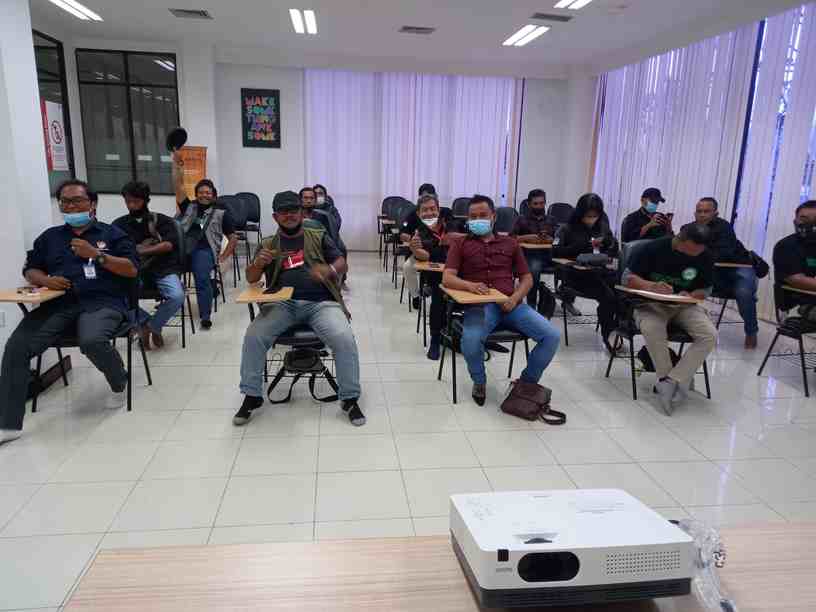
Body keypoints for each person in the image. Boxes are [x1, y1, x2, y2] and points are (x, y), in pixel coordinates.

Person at [0, 180, 139, 445]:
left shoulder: (113, 234)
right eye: (65, 202)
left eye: (77, 200)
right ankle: (8, 424)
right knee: (17, 347)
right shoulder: (50, 237)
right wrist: (45, 280)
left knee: (92, 340)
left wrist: (96, 255)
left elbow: (131, 269)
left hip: (103, 301)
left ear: (92, 203)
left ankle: (119, 381)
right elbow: (30, 269)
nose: (71, 206)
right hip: (59, 303)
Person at [233, 191, 364, 427]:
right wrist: (258, 264)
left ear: (302, 213)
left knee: (344, 338)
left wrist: (330, 270)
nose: (289, 215)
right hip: (281, 304)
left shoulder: (318, 235)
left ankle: (350, 398)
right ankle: (252, 395)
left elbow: (341, 262)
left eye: (294, 210)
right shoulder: (268, 244)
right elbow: (251, 278)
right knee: (254, 336)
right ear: (275, 217)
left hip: (321, 303)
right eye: (283, 212)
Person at [443, 195, 561, 406]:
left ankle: (525, 384)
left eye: (483, 215)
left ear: (494, 217)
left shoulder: (511, 243)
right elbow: (447, 278)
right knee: (470, 341)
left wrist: (515, 298)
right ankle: (479, 381)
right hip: (480, 307)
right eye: (473, 217)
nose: (477, 220)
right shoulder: (460, 244)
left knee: (551, 336)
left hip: (511, 305)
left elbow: (527, 278)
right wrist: (470, 286)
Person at [623, 223, 717, 415]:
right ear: (680, 240)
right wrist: (651, 286)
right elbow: (627, 278)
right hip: (650, 304)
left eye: (698, 252)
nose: (694, 255)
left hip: (684, 305)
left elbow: (706, 289)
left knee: (709, 334)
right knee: (652, 327)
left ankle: (673, 380)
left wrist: (691, 294)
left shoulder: (705, 255)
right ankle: (664, 379)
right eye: (691, 251)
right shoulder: (653, 248)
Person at [114, 181, 183, 349]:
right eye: (128, 201)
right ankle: (143, 322)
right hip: (133, 271)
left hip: (162, 268)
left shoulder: (162, 221)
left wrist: (141, 251)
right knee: (117, 296)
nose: (131, 205)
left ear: (145, 200)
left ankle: (154, 326)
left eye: (136, 201)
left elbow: (168, 245)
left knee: (177, 296)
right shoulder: (118, 224)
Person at [172, 151, 237, 330]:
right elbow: (178, 187)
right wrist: (177, 166)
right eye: (201, 192)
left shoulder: (221, 213)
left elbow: (233, 238)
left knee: (201, 278)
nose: (204, 195)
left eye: (208, 192)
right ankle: (170, 302)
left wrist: (223, 256)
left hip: (204, 249)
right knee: (164, 271)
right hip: (182, 248)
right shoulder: (189, 206)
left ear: (213, 195)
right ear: (196, 194)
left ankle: (205, 316)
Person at [552, 193, 620, 351]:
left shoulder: (602, 227)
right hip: (576, 275)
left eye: (595, 216)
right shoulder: (566, 229)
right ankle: (609, 333)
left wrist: (608, 243)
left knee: (621, 293)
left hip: (600, 271)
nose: (591, 219)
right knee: (608, 296)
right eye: (588, 216)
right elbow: (554, 252)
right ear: (580, 213)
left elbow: (613, 250)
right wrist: (579, 247)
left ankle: (617, 328)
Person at [694, 197, 759, 348]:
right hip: (714, 269)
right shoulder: (690, 228)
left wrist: (699, 254)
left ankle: (751, 332)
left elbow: (723, 254)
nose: (702, 214)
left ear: (715, 213)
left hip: (738, 266)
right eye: (699, 211)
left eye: (706, 211)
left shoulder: (724, 227)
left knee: (744, 292)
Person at [407, 193, 465, 360]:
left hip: (463, 271)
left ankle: (480, 337)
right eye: (424, 210)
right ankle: (435, 338)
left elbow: (471, 239)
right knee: (439, 295)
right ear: (419, 214)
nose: (429, 213)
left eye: (432, 209)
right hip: (438, 276)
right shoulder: (420, 233)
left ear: (438, 210)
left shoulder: (452, 224)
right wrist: (415, 250)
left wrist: (454, 238)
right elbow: (427, 256)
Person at [512, 189, 564, 312]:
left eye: (542, 203)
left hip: (548, 255)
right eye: (535, 204)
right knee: (534, 268)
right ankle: (531, 304)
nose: (539, 206)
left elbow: (559, 239)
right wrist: (526, 237)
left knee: (568, 266)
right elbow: (510, 238)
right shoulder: (521, 219)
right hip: (529, 256)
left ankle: (566, 300)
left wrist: (551, 239)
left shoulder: (551, 220)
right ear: (529, 204)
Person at [773, 200, 816, 319]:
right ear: (795, 221)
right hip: (799, 303)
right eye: (804, 219)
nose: (810, 223)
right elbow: (796, 279)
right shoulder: (786, 246)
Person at [401, 183, 439, 309]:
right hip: (420, 250)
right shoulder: (413, 214)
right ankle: (416, 296)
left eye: (432, 208)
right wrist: (413, 241)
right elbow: (403, 233)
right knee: (407, 267)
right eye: (423, 196)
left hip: (441, 254)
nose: (429, 212)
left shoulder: (445, 214)